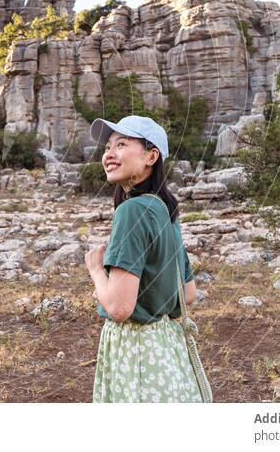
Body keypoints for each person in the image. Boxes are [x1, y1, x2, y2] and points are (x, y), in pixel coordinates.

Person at [84, 115, 212, 403]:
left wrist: (95, 270)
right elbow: (188, 293)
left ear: (151, 156)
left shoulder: (131, 212)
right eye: (107, 147)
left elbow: (119, 308)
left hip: (135, 351)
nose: (109, 154)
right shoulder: (165, 211)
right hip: (166, 350)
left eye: (122, 144)